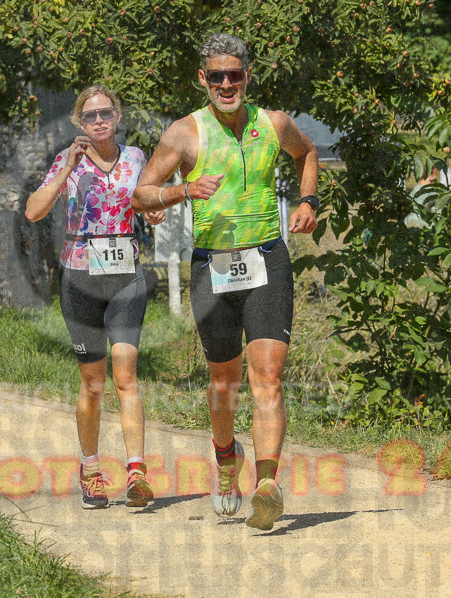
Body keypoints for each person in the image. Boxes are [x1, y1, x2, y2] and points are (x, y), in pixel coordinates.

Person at [132, 34, 319, 530]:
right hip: (212, 266)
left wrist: (308, 203)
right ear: (203, 79)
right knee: (224, 382)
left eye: (234, 73)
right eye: (216, 75)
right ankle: (224, 460)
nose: (226, 83)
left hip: (266, 260)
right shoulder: (184, 134)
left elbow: (308, 155)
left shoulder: (273, 124)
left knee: (268, 375)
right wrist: (183, 191)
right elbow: (141, 195)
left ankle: (268, 485)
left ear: (247, 75)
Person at [25, 85, 166, 509]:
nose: (99, 121)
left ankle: (137, 473)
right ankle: (90, 469)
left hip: (125, 276)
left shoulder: (137, 158)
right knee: (93, 383)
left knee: (126, 376)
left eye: (106, 113)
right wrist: (67, 169)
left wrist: (154, 209)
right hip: (81, 280)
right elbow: (33, 211)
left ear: (118, 115)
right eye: (90, 116)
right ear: (79, 123)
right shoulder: (68, 162)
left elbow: (145, 202)